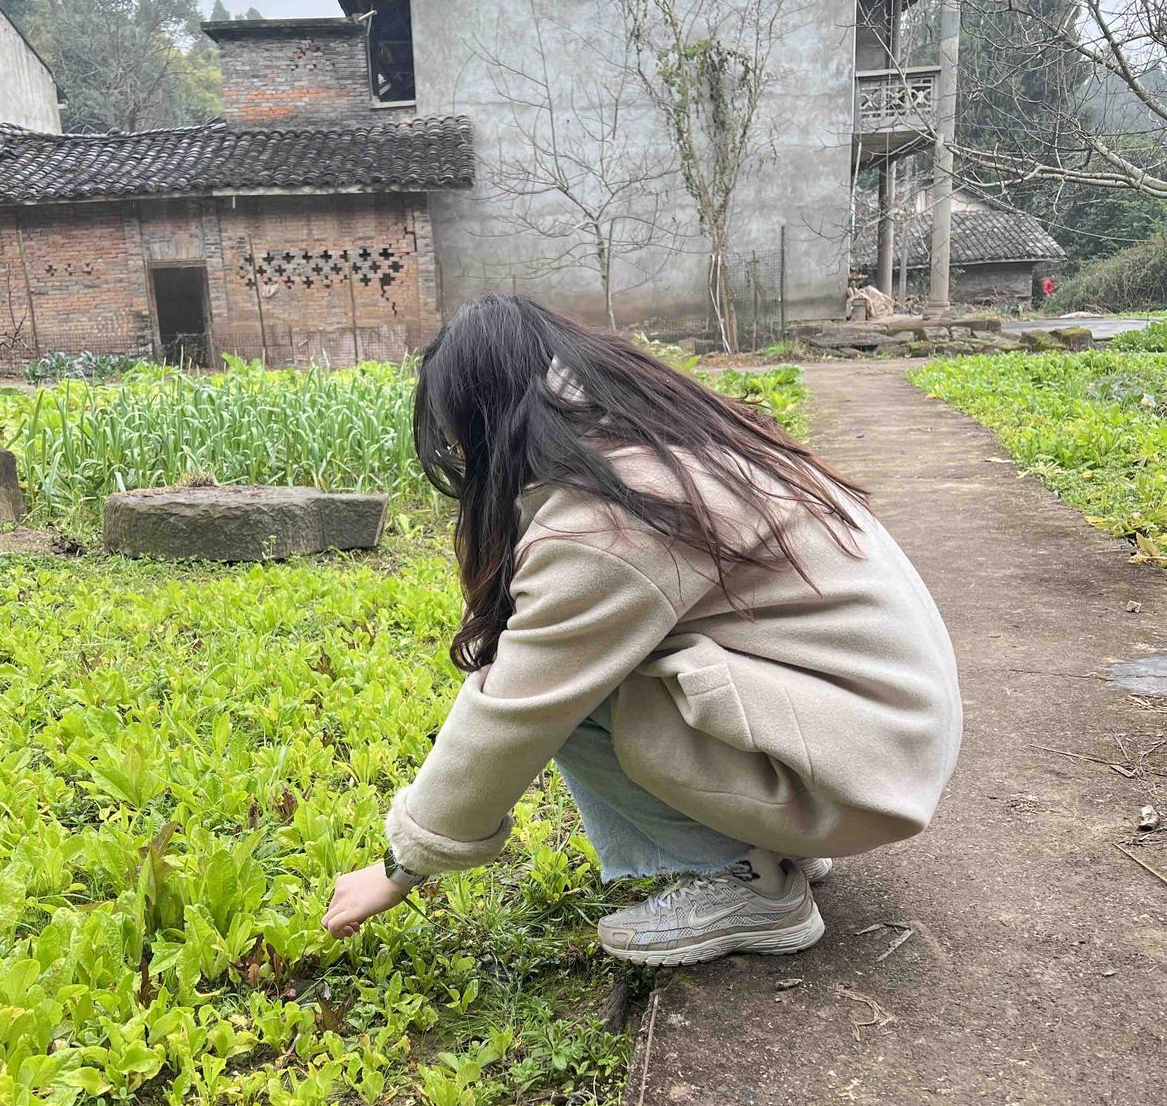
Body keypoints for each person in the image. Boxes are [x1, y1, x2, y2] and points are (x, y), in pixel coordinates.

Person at [323, 295, 962, 966]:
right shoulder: (658, 444)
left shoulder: (607, 518)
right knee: (592, 664)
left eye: (457, 442)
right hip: (878, 742)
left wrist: (400, 867)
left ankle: (752, 885)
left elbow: (514, 710)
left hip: (862, 767)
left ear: (487, 424)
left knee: (572, 688)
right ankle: (773, 843)